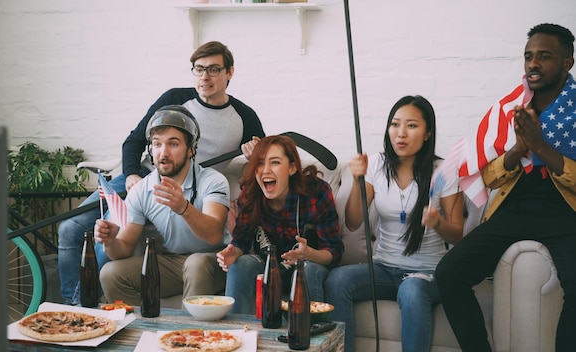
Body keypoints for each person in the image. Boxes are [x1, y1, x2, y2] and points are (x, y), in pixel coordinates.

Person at [57, 40, 265, 305]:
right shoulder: (174, 99)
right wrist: (132, 174)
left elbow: (263, 161)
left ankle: (83, 304)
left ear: (229, 73)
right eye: (198, 69)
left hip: (188, 183)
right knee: (69, 228)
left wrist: (255, 154)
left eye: (213, 69)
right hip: (141, 177)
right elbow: (133, 141)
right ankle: (70, 304)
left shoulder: (244, 117)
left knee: (104, 242)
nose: (205, 77)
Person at [435, 23, 576, 352]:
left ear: (568, 62)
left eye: (544, 56)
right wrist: (516, 150)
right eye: (528, 57)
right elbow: (491, 178)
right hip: (514, 210)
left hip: (566, 215)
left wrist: (541, 146)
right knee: (450, 274)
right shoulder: (512, 110)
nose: (533, 64)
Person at [324, 95, 465, 352]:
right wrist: (357, 180)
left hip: (429, 273)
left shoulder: (443, 171)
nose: (401, 133)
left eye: (411, 126)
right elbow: (354, 222)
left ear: (427, 133)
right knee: (337, 280)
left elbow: (458, 235)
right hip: (385, 268)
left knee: (411, 289)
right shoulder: (377, 165)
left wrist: (437, 223)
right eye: (395, 124)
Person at [94, 105, 230, 304]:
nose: (163, 153)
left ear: (191, 149)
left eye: (173, 144)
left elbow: (214, 234)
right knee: (110, 273)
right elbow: (123, 249)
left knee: (196, 263)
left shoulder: (213, 181)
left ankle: (187, 333)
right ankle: (146, 327)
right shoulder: (142, 189)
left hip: (213, 260)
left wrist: (183, 207)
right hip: (172, 263)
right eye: (157, 144)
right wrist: (109, 241)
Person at [216, 135, 344, 314]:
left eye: (275, 162)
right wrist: (233, 252)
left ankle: (305, 336)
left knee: (307, 271)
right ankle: (238, 335)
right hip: (269, 267)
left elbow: (334, 252)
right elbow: (241, 241)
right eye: (260, 164)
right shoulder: (251, 194)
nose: (265, 171)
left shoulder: (315, 192)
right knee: (241, 263)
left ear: (292, 168)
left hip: (309, 266)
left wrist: (308, 254)